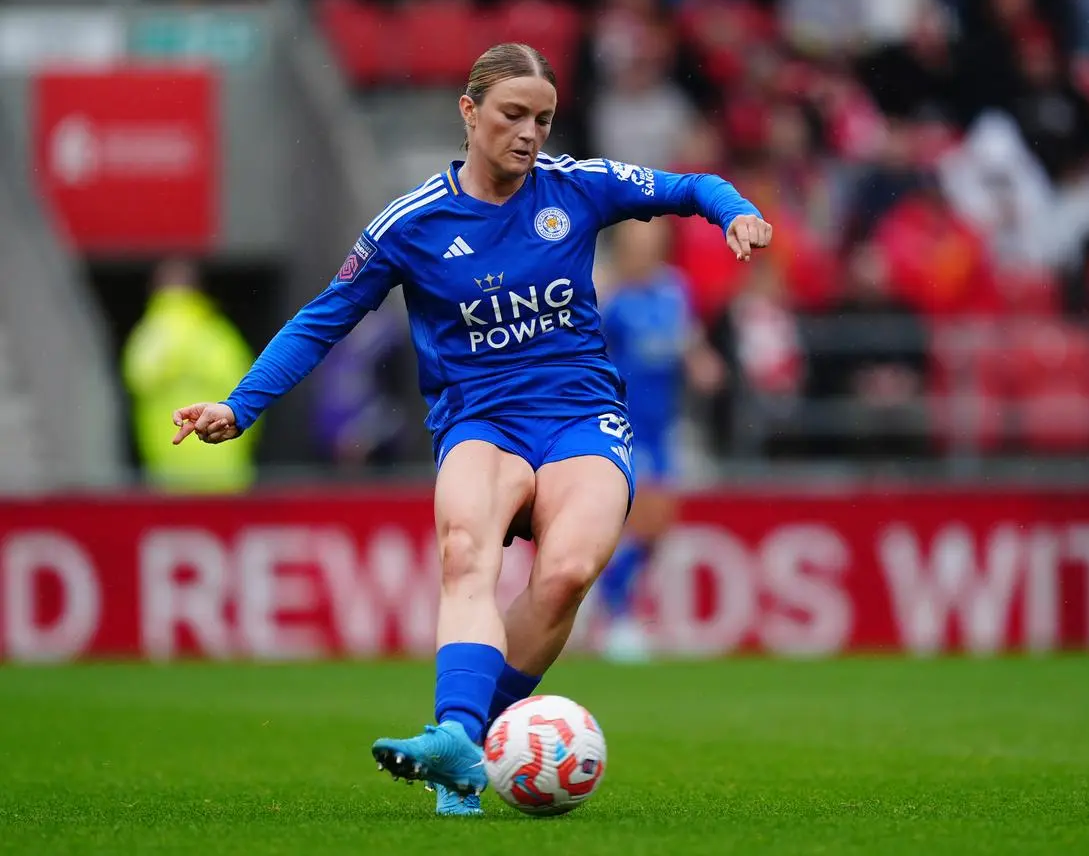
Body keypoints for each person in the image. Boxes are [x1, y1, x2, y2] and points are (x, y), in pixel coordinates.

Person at [170, 42, 772, 816]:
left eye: (544, 118)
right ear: (469, 111)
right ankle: (455, 733)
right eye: (513, 114)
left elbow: (692, 185)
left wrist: (740, 214)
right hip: (479, 421)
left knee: (564, 575)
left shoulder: (577, 188)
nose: (529, 133)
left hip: (580, 416)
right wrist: (239, 405)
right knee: (465, 554)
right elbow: (322, 321)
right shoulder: (410, 225)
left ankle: (468, 743)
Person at [596, 218, 724, 662]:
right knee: (641, 520)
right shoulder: (609, 297)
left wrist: (701, 361)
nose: (643, 253)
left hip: (663, 423)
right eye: (636, 245)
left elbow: (686, 337)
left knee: (657, 527)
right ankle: (619, 618)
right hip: (620, 423)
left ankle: (613, 606)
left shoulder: (674, 290)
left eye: (651, 244)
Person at [122, 257, 258, 493]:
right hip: (226, 468)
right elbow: (253, 394)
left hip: (169, 469)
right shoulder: (219, 333)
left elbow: (137, 378)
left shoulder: (152, 333)